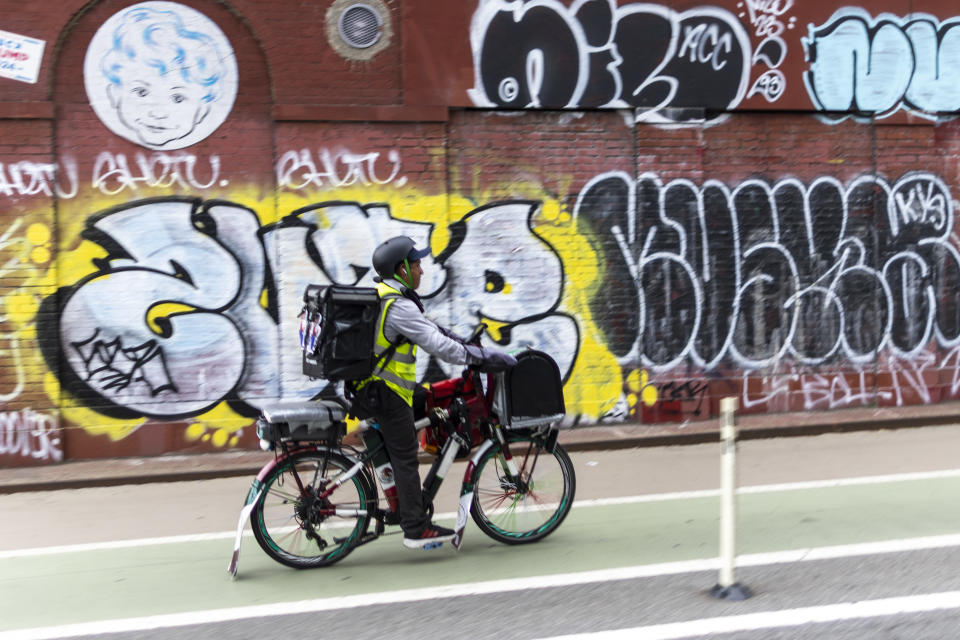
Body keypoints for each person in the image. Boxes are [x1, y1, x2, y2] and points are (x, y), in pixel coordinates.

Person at [352, 235, 516, 549]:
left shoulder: (385, 293)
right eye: (416, 264)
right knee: (405, 456)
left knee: (428, 403)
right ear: (401, 269)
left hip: (376, 388)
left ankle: (406, 500)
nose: (422, 271)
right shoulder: (397, 304)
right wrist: (480, 358)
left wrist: (467, 345)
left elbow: (433, 329)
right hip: (386, 393)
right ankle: (415, 527)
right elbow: (437, 344)